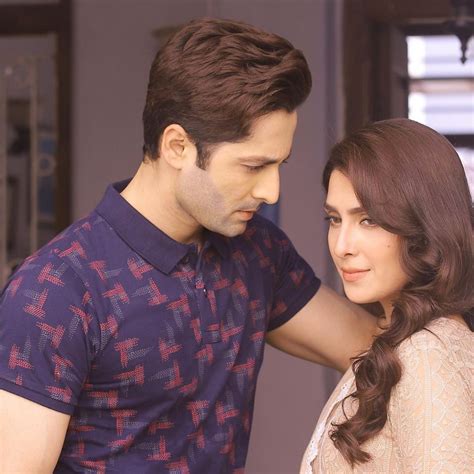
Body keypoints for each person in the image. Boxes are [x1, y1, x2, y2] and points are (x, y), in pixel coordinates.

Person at [0, 17, 376, 473]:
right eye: (253, 166)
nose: (271, 191)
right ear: (177, 146)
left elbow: (378, 349)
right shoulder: (55, 291)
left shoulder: (257, 251)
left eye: (279, 165)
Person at [300, 118, 474, 473]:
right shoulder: (407, 343)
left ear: (424, 227)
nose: (342, 246)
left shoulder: (425, 355)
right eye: (334, 219)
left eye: (368, 220)